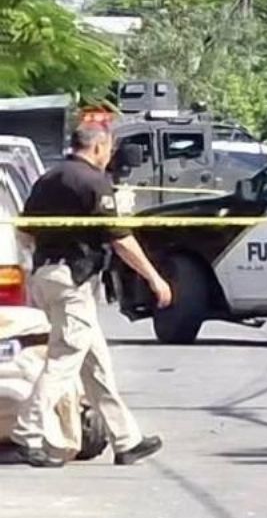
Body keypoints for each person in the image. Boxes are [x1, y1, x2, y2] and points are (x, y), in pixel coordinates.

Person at [11, 124, 171, 468]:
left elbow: (24, 231)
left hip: (46, 276)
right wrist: (155, 278)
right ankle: (28, 431)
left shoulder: (48, 178)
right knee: (65, 358)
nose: (110, 155)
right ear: (99, 147)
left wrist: (41, 263)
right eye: (109, 149)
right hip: (73, 280)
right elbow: (120, 238)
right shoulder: (95, 182)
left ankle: (127, 440)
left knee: (94, 363)